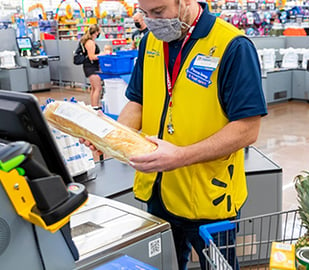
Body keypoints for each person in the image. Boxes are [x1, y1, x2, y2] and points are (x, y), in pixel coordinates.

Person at [84, 0, 267, 269]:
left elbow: (248, 129)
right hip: (159, 190)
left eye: (158, 12)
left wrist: (180, 156)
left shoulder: (233, 46)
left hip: (209, 198)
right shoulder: (150, 42)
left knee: (219, 266)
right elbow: (138, 102)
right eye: (144, 13)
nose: (151, 21)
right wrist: (109, 137)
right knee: (167, 263)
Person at [80, 24, 102, 110]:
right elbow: (91, 56)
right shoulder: (90, 42)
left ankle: (94, 106)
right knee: (98, 88)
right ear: (96, 32)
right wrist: (102, 55)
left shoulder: (88, 41)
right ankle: (95, 107)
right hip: (91, 67)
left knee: (94, 88)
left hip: (90, 66)